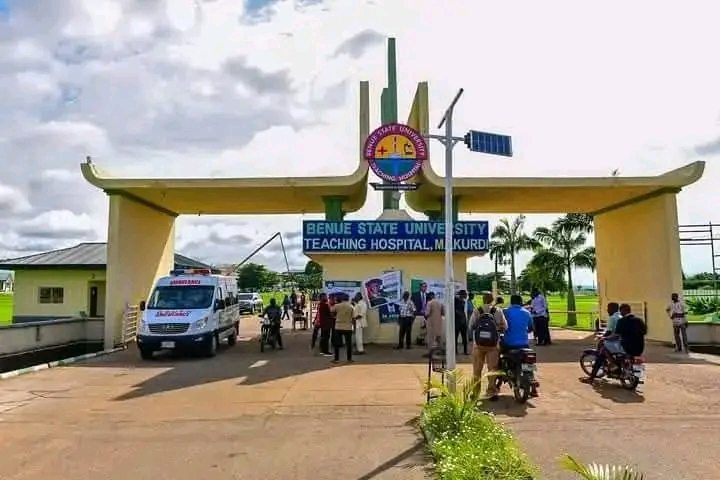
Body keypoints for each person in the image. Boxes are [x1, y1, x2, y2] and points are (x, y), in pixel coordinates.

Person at [582, 303, 647, 383]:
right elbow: (644, 332)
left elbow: (616, 335)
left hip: (626, 348)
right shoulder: (639, 320)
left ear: (622, 311)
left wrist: (605, 338)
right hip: (640, 348)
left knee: (604, 347)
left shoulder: (622, 321)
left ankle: (613, 365)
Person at [469, 293, 508, 400]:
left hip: (478, 344)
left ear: (483, 300)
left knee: (477, 369)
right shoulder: (498, 311)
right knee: (492, 369)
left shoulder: (477, 310)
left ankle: (475, 393)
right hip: (493, 345)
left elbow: (471, 325)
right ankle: (491, 391)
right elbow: (505, 326)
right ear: (492, 300)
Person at [501, 294, 538, 397]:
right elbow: (531, 328)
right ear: (521, 302)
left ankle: (496, 381)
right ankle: (534, 388)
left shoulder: (505, 312)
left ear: (511, 302)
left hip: (509, 343)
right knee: (529, 362)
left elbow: (501, 325)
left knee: (497, 355)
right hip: (524, 343)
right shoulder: (527, 313)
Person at [330, 293, 354, 363]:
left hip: (338, 326)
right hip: (348, 326)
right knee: (349, 344)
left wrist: (335, 316)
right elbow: (353, 317)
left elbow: (331, 312)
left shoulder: (337, 306)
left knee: (337, 344)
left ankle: (336, 359)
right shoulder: (351, 306)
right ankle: (349, 359)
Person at [454, 290, 470, 355]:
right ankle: (455, 351)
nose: (466, 296)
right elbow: (456, 311)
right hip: (457, 322)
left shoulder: (463, 301)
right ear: (462, 295)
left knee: (464, 337)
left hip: (463, 322)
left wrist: (464, 319)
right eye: (465, 294)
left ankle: (465, 351)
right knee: (455, 337)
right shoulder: (456, 300)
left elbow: (462, 311)